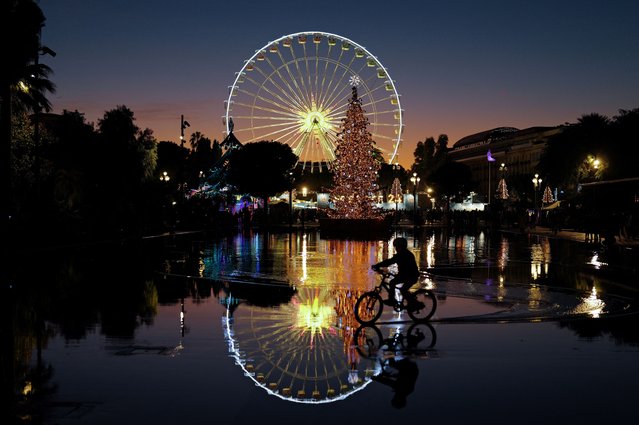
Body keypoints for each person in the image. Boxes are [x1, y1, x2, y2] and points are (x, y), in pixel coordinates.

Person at [371, 237, 420, 306]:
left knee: (400, 288)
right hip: (406, 275)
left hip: (411, 276)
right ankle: (397, 300)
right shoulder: (402, 254)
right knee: (393, 283)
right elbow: (390, 262)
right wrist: (378, 266)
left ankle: (413, 304)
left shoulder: (404, 255)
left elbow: (390, 262)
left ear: (401, 246)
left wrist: (377, 265)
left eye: (397, 247)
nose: (396, 249)